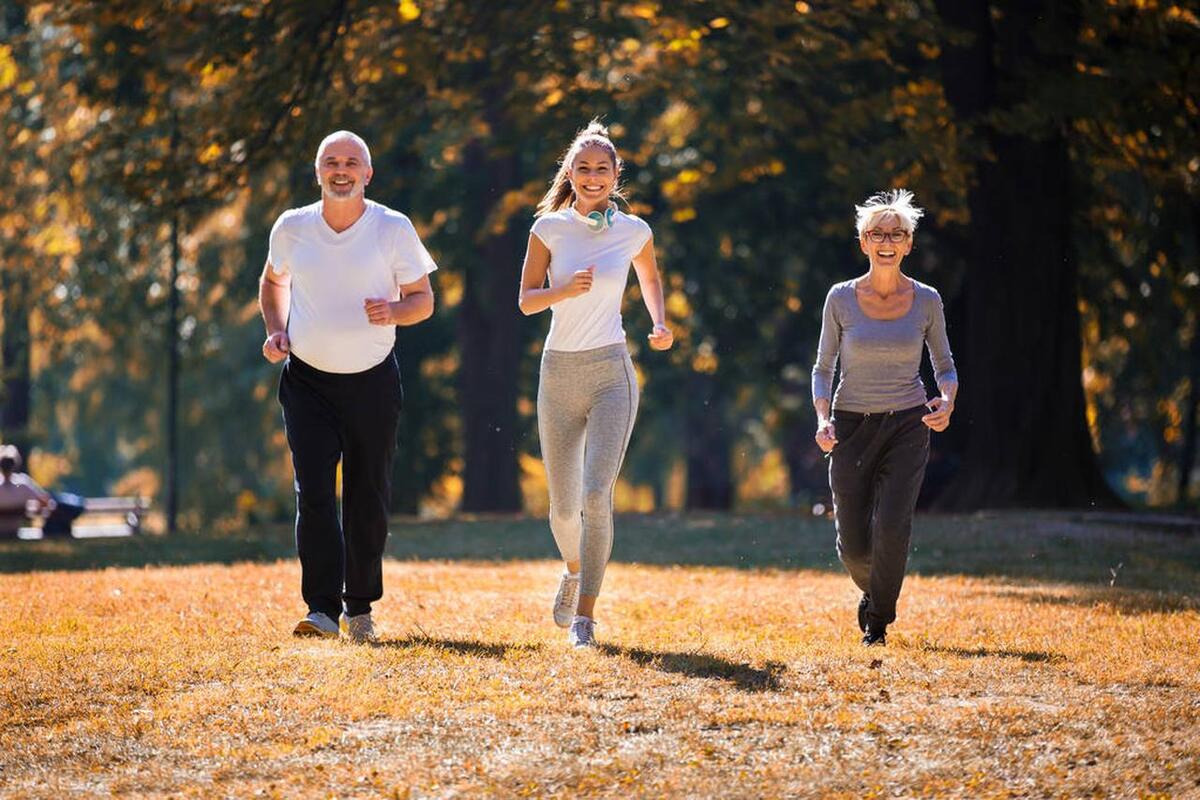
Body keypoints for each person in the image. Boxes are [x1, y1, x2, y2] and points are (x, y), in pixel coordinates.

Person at [259, 130, 436, 642]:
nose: (341, 170)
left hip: (373, 382)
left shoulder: (392, 227)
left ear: (367, 173)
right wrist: (276, 329)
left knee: (368, 494)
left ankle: (359, 609)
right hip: (308, 382)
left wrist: (393, 311)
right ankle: (320, 609)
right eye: (331, 161)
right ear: (318, 172)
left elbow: (422, 299)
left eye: (351, 162)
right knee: (313, 493)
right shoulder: (292, 227)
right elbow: (273, 283)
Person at [518, 121, 674, 649]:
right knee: (562, 508)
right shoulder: (548, 230)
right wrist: (561, 288)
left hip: (612, 372)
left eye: (601, 169)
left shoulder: (634, 231)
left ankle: (585, 617)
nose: (591, 177)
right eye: (582, 168)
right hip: (559, 374)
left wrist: (658, 320)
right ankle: (574, 569)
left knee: (595, 495)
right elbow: (526, 299)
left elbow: (649, 278)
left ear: (615, 174)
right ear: (570, 172)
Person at [811, 189, 958, 647]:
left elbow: (945, 366)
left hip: (907, 424)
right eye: (877, 233)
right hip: (851, 424)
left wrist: (947, 400)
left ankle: (878, 621)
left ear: (909, 243)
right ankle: (872, 591)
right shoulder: (841, 299)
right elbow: (822, 369)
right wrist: (822, 419)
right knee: (854, 545)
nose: (887, 240)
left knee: (893, 526)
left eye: (897, 234)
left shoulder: (927, 300)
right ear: (863, 242)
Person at [0, 445, 53, 538]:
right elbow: (46, 501)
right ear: (14, 465)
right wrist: (31, 509)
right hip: (15, 530)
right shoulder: (22, 484)